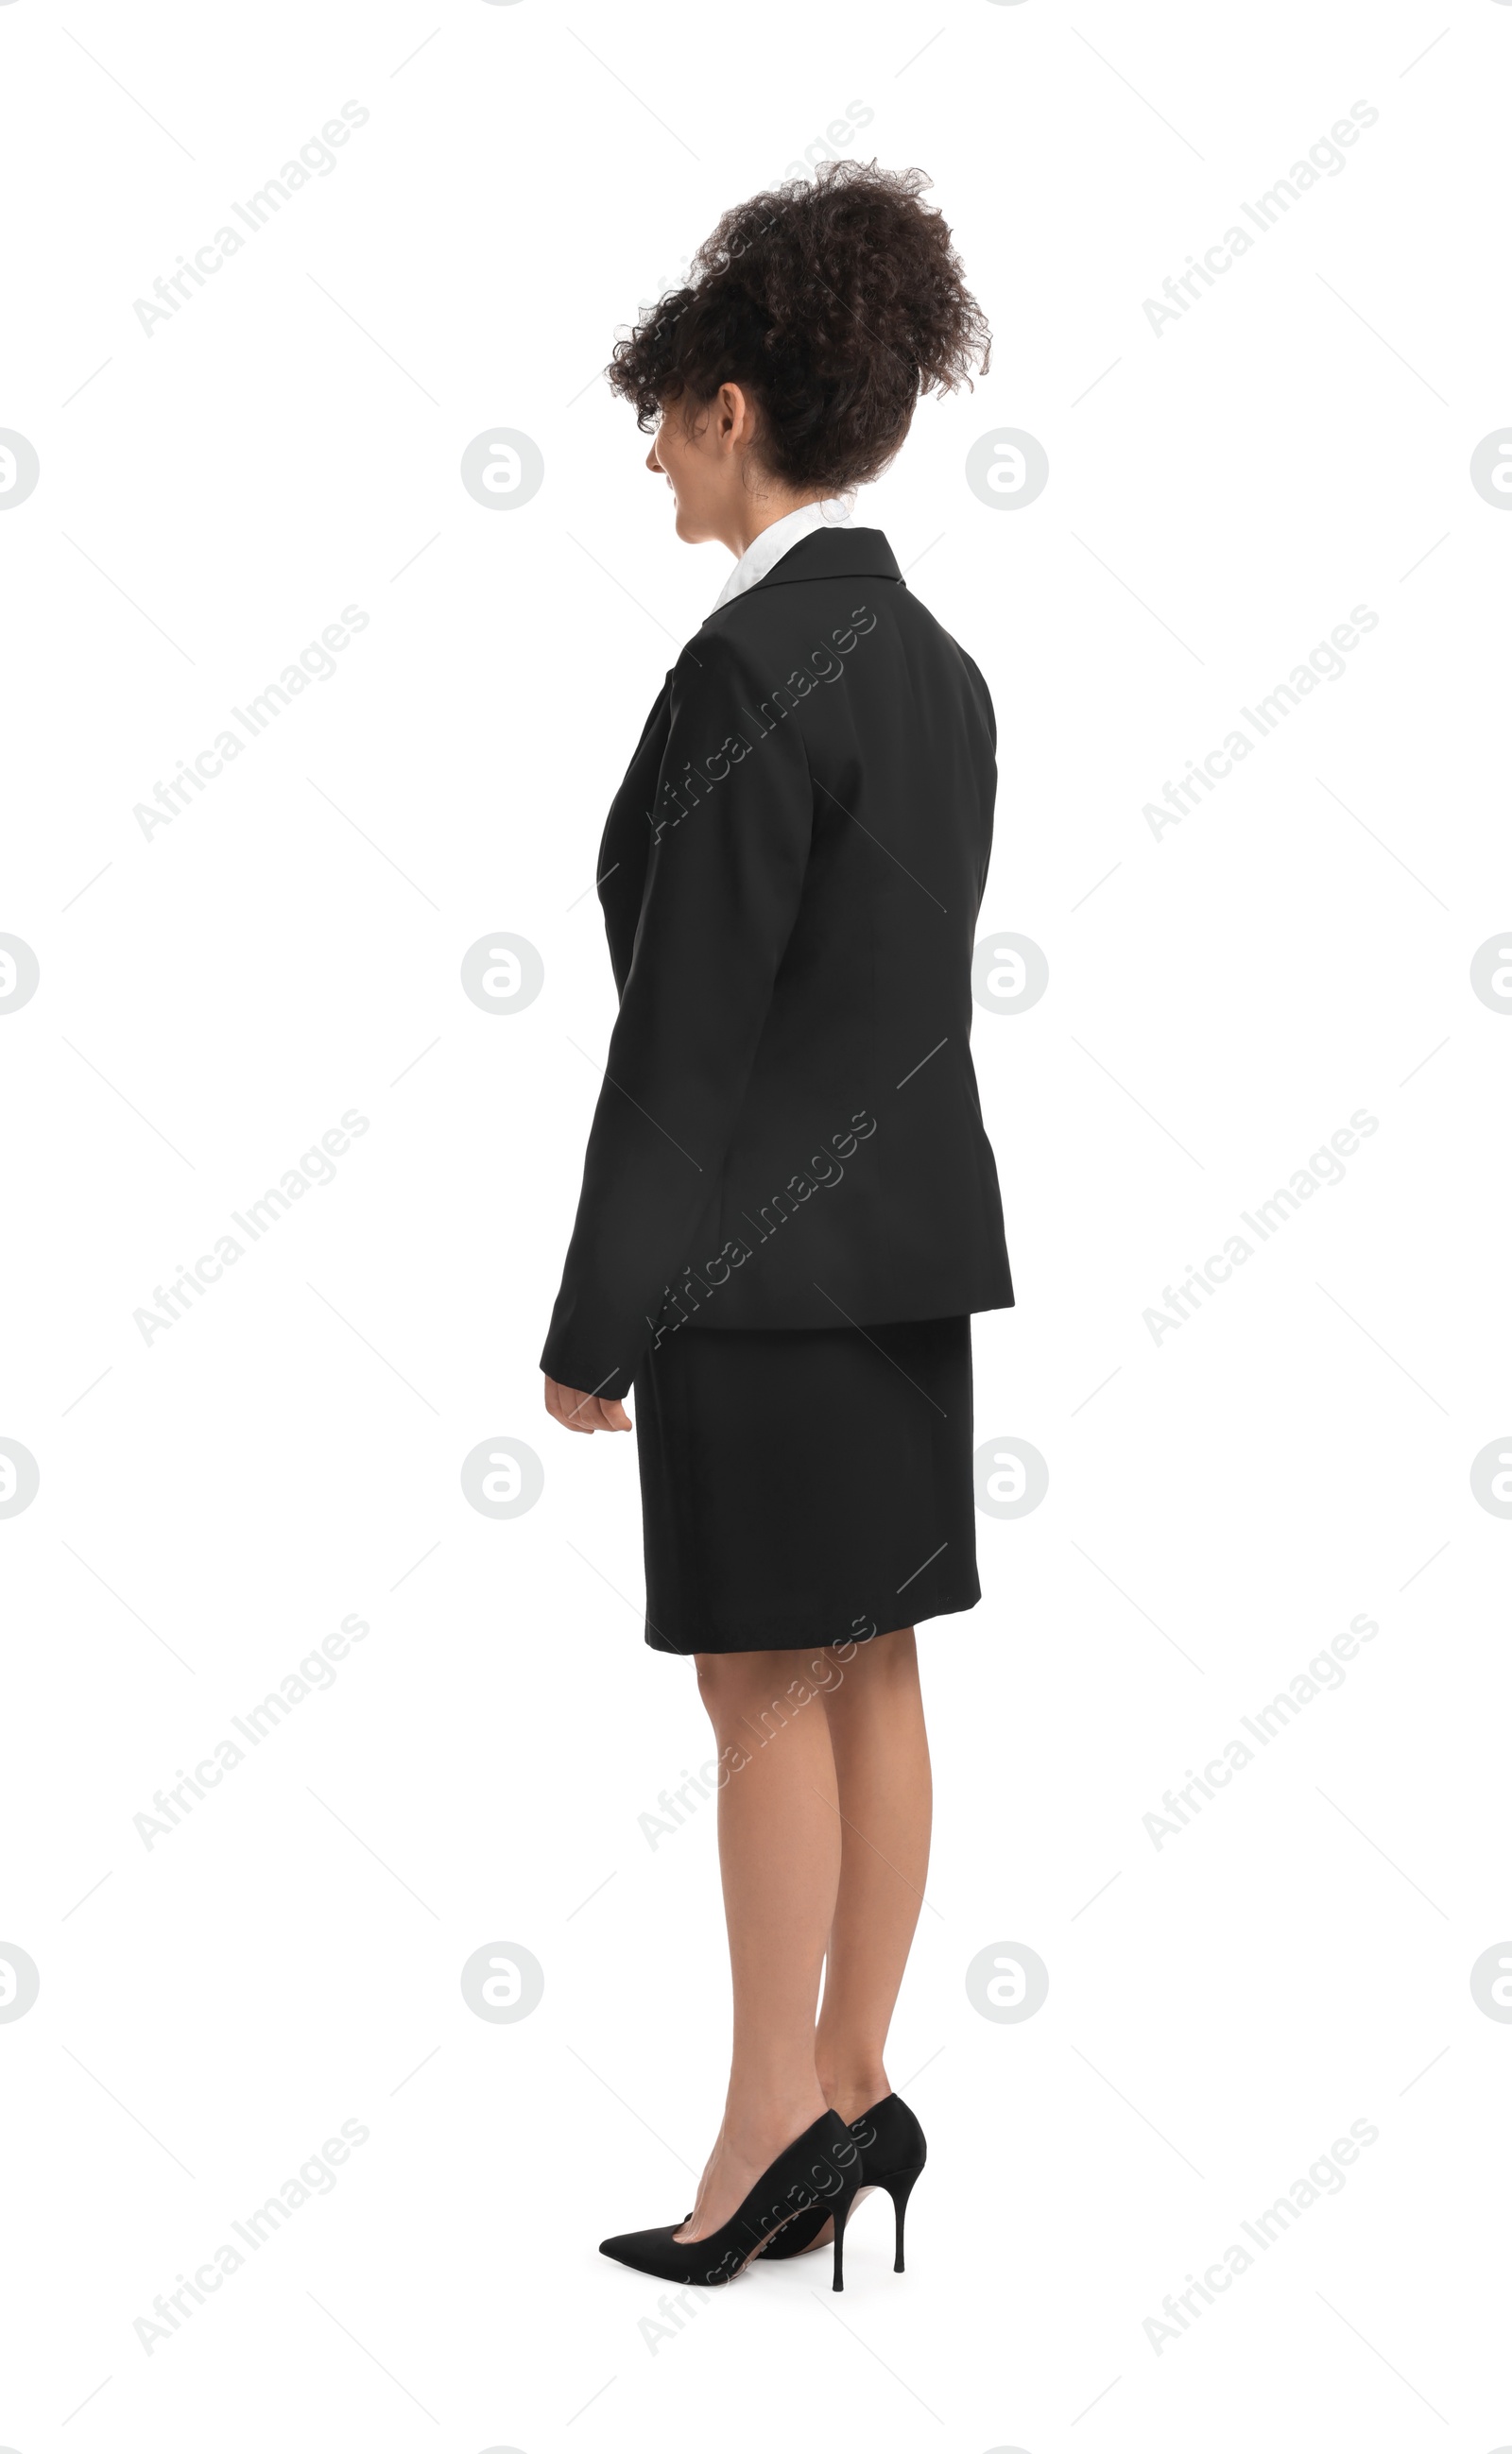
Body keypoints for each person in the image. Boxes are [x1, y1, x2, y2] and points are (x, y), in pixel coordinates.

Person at [540, 161, 1013, 2291]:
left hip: (750, 1270)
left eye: (658, 411)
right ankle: (851, 2080)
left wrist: (596, 1322)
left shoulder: (749, 669)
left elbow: (694, 1048)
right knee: (873, 1675)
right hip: (909, 1260)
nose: (647, 451)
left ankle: (758, 2140)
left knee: (758, 1702)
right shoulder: (938, 669)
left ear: (733, 412)